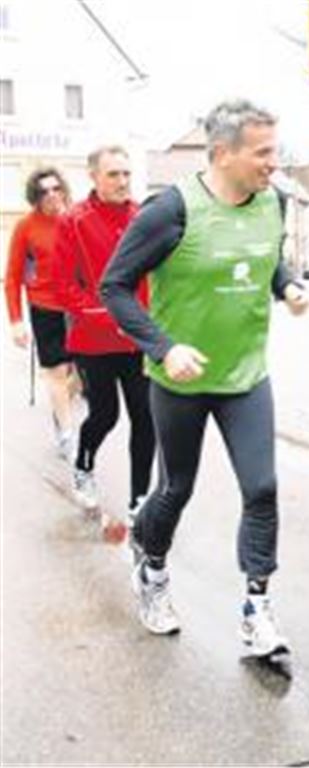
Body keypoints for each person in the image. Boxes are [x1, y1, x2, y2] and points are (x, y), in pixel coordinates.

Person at [101, 99, 309, 654]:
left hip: (246, 375)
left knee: (262, 488)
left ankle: (257, 610)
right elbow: (114, 287)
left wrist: (286, 285)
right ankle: (151, 569)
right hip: (181, 381)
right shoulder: (170, 211)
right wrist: (163, 348)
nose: (273, 162)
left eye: (275, 149)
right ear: (222, 154)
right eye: (262, 152)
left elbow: (265, 259)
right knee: (175, 488)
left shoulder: (276, 201)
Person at [56, 146, 155, 538]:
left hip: (137, 341)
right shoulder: (73, 221)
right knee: (106, 415)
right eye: (113, 174)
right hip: (94, 341)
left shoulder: (142, 218)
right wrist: (104, 313)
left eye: (126, 174)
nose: (122, 182)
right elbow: (63, 286)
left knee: (145, 419)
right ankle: (83, 465)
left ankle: (140, 502)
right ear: (93, 176)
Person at [5, 167, 78, 461]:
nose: (51, 195)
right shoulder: (26, 226)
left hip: (77, 308)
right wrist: (15, 321)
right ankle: (68, 436)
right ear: (35, 197)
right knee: (56, 373)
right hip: (44, 308)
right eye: (44, 191)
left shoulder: (76, 219)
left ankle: (61, 412)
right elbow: (12, 276)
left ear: (63, 190)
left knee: (83, 374)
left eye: (55, 188)